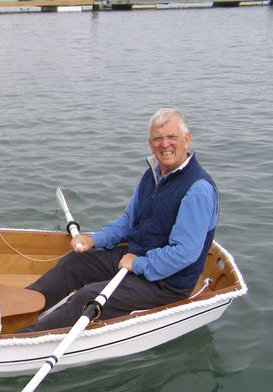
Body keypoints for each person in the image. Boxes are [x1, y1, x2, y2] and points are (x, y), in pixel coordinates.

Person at [20, 108, 218, 332]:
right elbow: (128, 222)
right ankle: (17, 308)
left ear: (186, 139)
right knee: (75, 263)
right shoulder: (153, 175)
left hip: (166, 282)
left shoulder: (197, 190)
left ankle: (22, 338)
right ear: (150, 143)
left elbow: (184, 253)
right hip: (134, 258)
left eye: (171, 137)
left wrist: (138, 264)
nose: (165, 144)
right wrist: (95, 240)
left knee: (86, 298)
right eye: (158, 138)